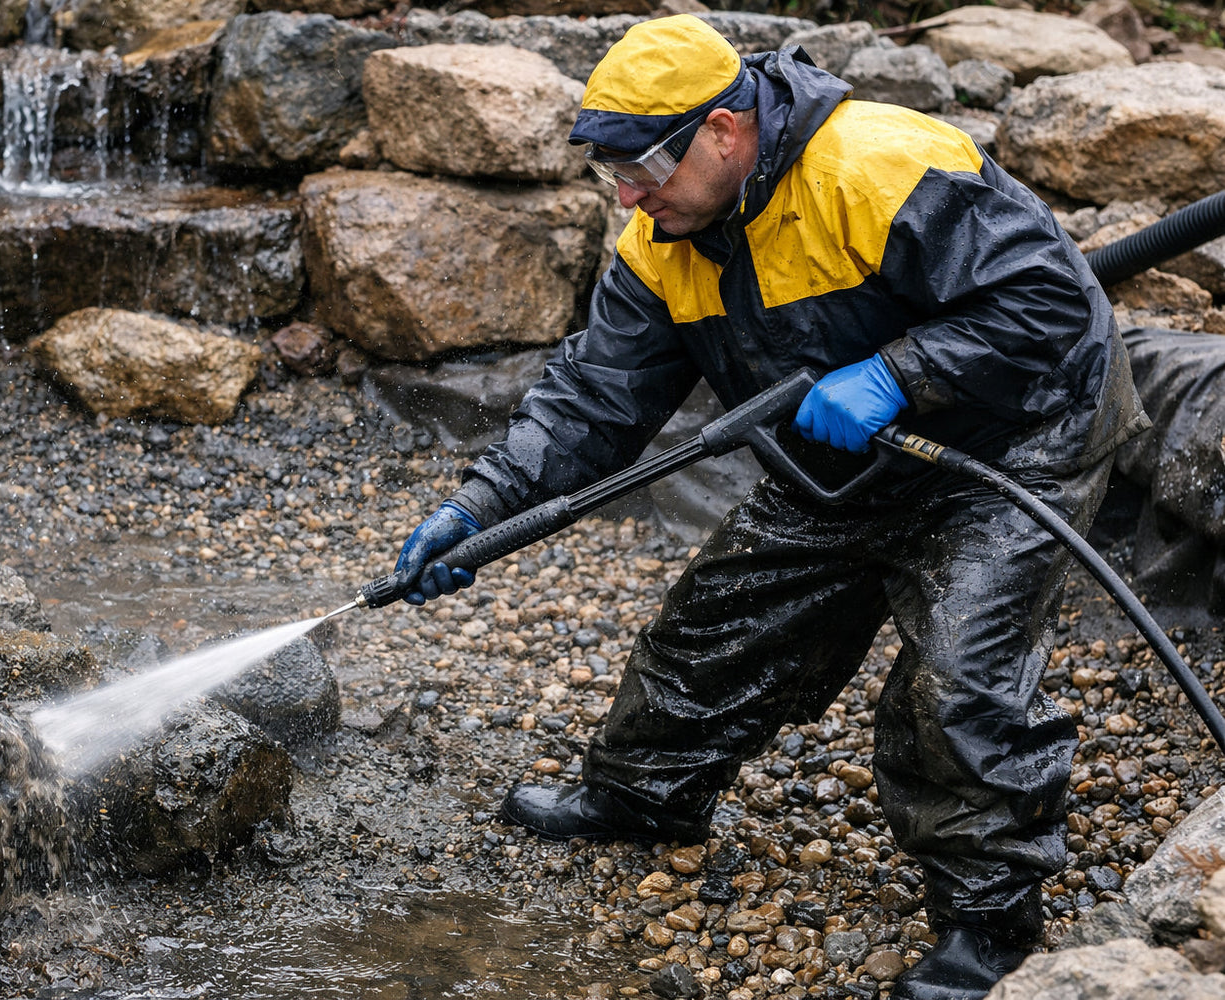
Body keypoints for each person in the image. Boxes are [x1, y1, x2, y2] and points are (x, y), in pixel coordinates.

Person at [390, 15, 1147, 1000]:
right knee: (711, 631)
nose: (629, 194)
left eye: (643, 165)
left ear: (724, 130)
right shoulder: (663, 238)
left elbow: (1048, 303)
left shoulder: (878, 165)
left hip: (1017, 436)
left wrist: (897, 370)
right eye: (611, 171)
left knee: (957, 680)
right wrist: (481, 508)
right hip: (840, 453)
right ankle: (645, 796)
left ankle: (989, 920)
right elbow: (592, 399)